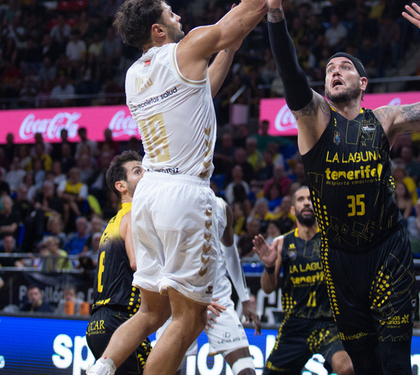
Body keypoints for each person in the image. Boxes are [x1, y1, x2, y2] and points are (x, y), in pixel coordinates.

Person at [267, 0, 420, 375]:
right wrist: (275, 15)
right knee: (364, 366)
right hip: (338, 258)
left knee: (394, 362)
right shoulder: (313, 118)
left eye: (344, 68)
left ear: (363, 83)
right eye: (329, 69)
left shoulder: (386, 118)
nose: (335, 72)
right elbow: (290, 75)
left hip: (387, 250)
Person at [87, 0, 269, 375]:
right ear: (158, 30)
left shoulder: (134, 76)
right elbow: (255, 6)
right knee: (187, 320)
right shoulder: (184, 49)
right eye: (171, 14)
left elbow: (201, 89)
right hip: (186, 195)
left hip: (148, 195)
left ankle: (100, 370)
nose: (180, 17)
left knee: (151, 313)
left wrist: (229, 43)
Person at [253, 187, 353, 375]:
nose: (307, 202)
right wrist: (268, 266)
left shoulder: (332, 240)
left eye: (311, 199)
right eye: (301, 199)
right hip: (295, 326)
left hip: (329, 324)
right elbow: (268, 288)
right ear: (292, 210)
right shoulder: (283, 243)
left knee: (347, 368)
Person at [162, 194, 262, 375]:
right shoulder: (169, 202)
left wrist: (244, 298)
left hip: (218, 298)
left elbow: (231, 254)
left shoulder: (222, 207)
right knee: (171, 370)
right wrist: (196, 301)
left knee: (247, 371)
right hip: (179, 301)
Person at [87, 151, 151, 374]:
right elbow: (137, 264)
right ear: (121, 186)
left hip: (97, 323)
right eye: (137, 171)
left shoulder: (112, 223)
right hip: (119, 321)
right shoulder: (133, 215)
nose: (145, 174)